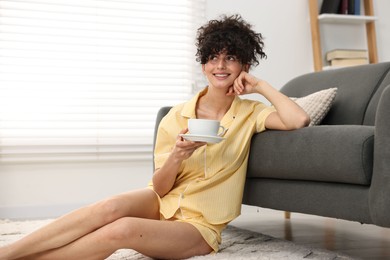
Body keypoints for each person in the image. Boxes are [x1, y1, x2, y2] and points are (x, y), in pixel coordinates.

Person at [0, 14, 309, 260]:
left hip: (198, 227)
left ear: (244, 64)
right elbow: (160, 188)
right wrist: (177, 155)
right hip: (163, 201)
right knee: (107, 209)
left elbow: (299, 119)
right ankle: (8, 253)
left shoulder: (251, 113)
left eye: (230, 58)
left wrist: (260, 86)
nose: (220, 65)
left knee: (121, 230)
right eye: (213, 58)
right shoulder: (175, 117)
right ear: (203, 65)